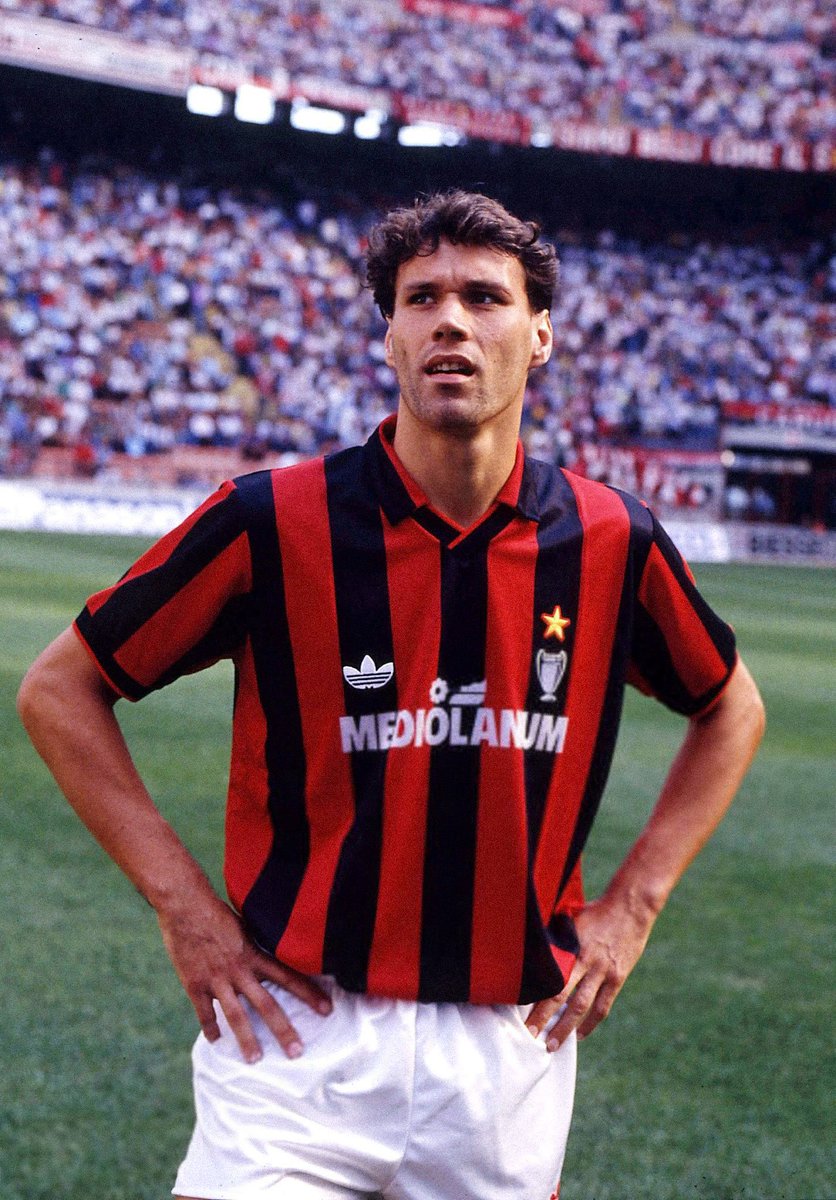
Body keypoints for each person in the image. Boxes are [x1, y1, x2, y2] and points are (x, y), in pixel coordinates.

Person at [18, 190, 765, 1200]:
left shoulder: (607, 540)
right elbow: (62, 689)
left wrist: (633, 904)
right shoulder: (270, 521)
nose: (450, 320)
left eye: (483, 298)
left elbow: (730, 705)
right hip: (297, 1033)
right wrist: (186, 909)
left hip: (507, 1053)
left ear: (538, 337)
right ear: (388, 338)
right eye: (420, 298)